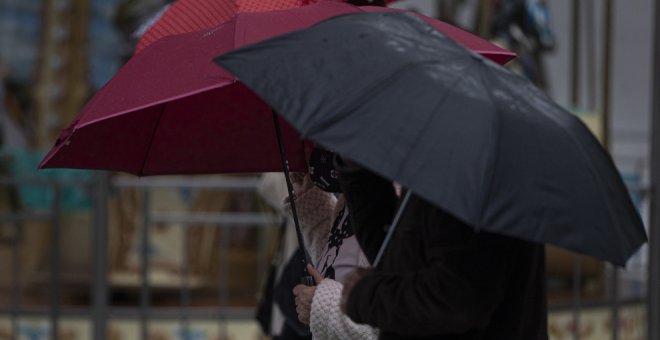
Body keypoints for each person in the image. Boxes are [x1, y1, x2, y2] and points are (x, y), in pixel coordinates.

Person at [335, 156, 549, 340]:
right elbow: (398, 258)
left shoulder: (467, 168)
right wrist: (358, 170)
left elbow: (458, 298)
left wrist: (366, 296)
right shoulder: (438, 158)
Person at [287, 146, 379, 340]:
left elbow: (392, 322)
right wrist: (311, 196)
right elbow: (340, 262)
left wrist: (322, 305)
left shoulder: (406, 203)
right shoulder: (359, 188)